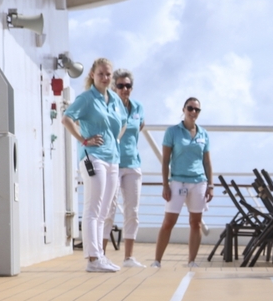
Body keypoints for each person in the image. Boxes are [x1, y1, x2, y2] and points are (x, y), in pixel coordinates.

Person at [61, 57, 125, 273]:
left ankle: (99, 255)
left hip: (113, 158)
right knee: (93, 207)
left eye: (108, 74)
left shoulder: (115, 100)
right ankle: (92, 258)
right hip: (93, 156)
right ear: (92, 75)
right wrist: (83, 140)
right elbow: (66, 118)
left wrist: (114, 140)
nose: (105, 78)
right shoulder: (87, 98)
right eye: (101, 74)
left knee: (105, 210)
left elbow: (122, 123)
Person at [152, 98, 213, 268]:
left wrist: (211, 185)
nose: (193, 112)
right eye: (190, 108)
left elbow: (207, 162)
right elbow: (165, 161)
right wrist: (165, 185)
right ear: (184, 109)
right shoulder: (172, 132)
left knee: (196, 223)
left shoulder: (204, 133)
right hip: (178, 181)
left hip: (199, 181)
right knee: (169, 222)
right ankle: (157, 261)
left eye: (197, 110)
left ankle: (191, 261)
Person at [104, 69, 144, 267]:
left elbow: (139, 126)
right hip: (113, 162)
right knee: (108, 210)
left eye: (128, 86)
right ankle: (101, 255)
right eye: (120, 86)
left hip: (133, 164)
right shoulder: (109, 105)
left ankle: (128, 257)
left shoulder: (138, 108)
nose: (124, 89)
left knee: (132, 211)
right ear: (114, 88)